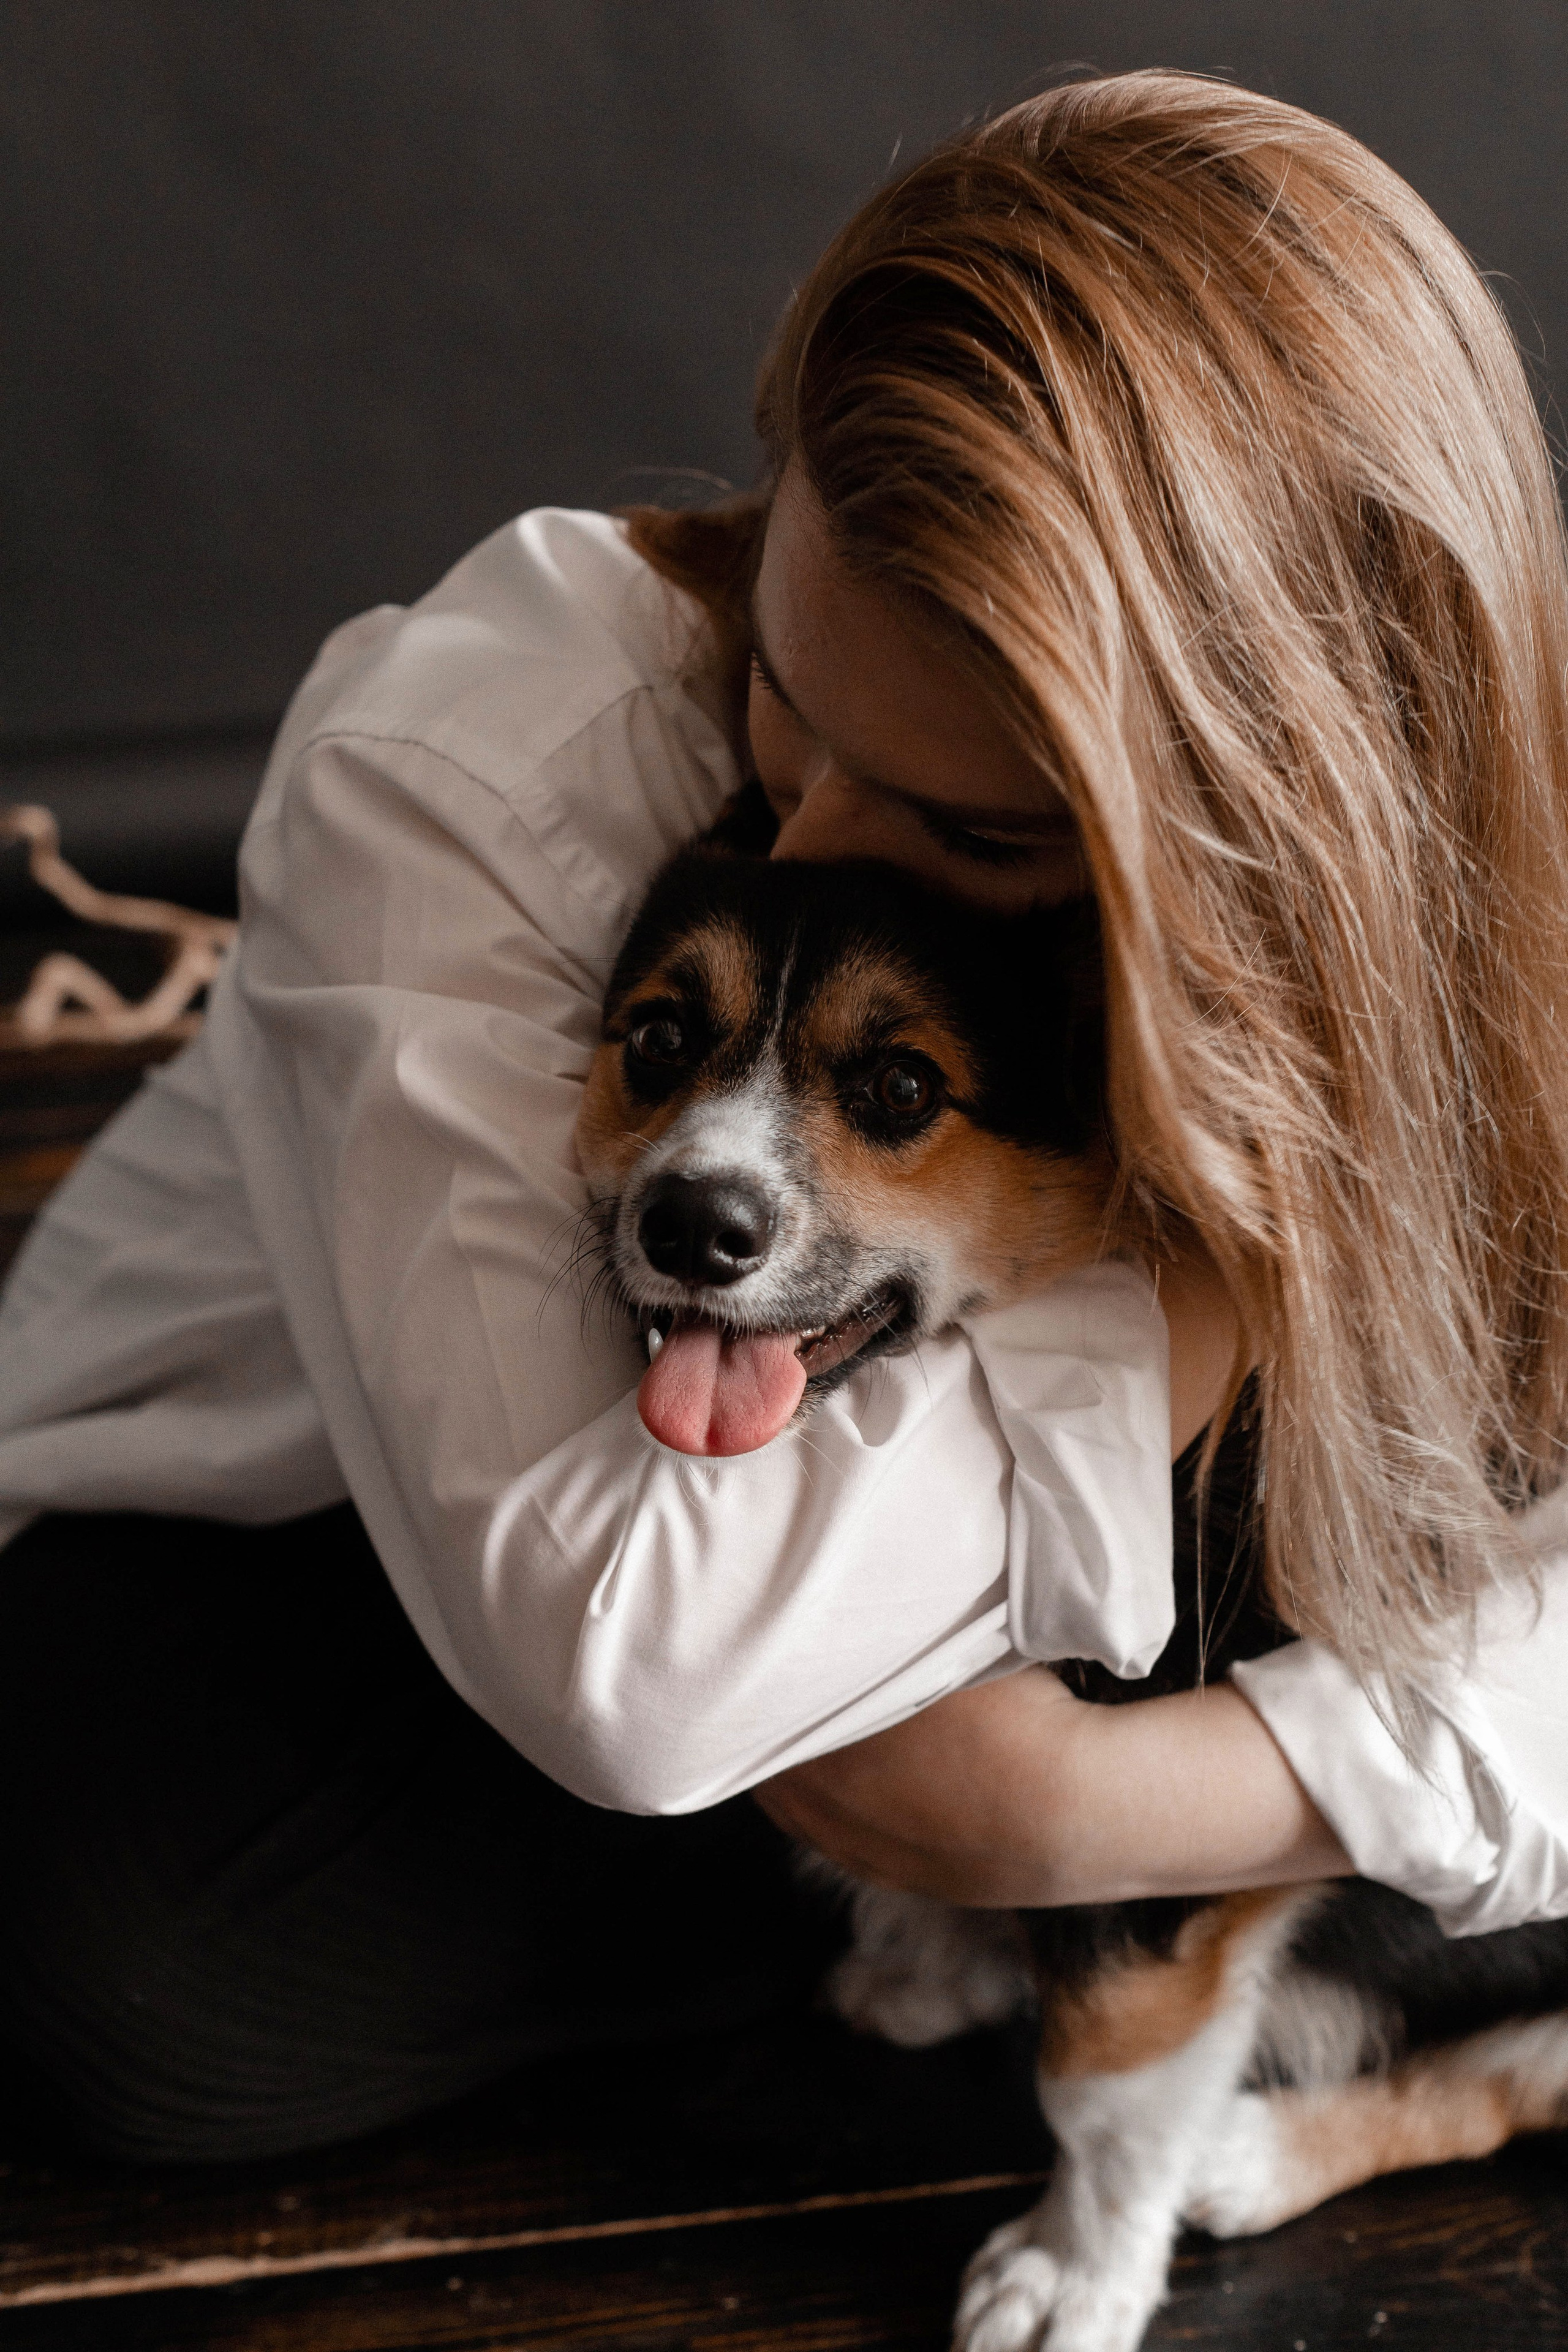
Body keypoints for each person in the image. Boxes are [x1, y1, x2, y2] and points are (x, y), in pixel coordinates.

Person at [3, 69, 1567, 2166]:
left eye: (962, 825)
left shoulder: (1461, 912)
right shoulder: (468, 758)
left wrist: (1110, 1807)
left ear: (1276, 860)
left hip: (956, 1625)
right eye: (786, 698)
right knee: (133, 1990)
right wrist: (1203, 1297)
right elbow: (633, 1669)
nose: (805, 833)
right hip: (347, 1535)